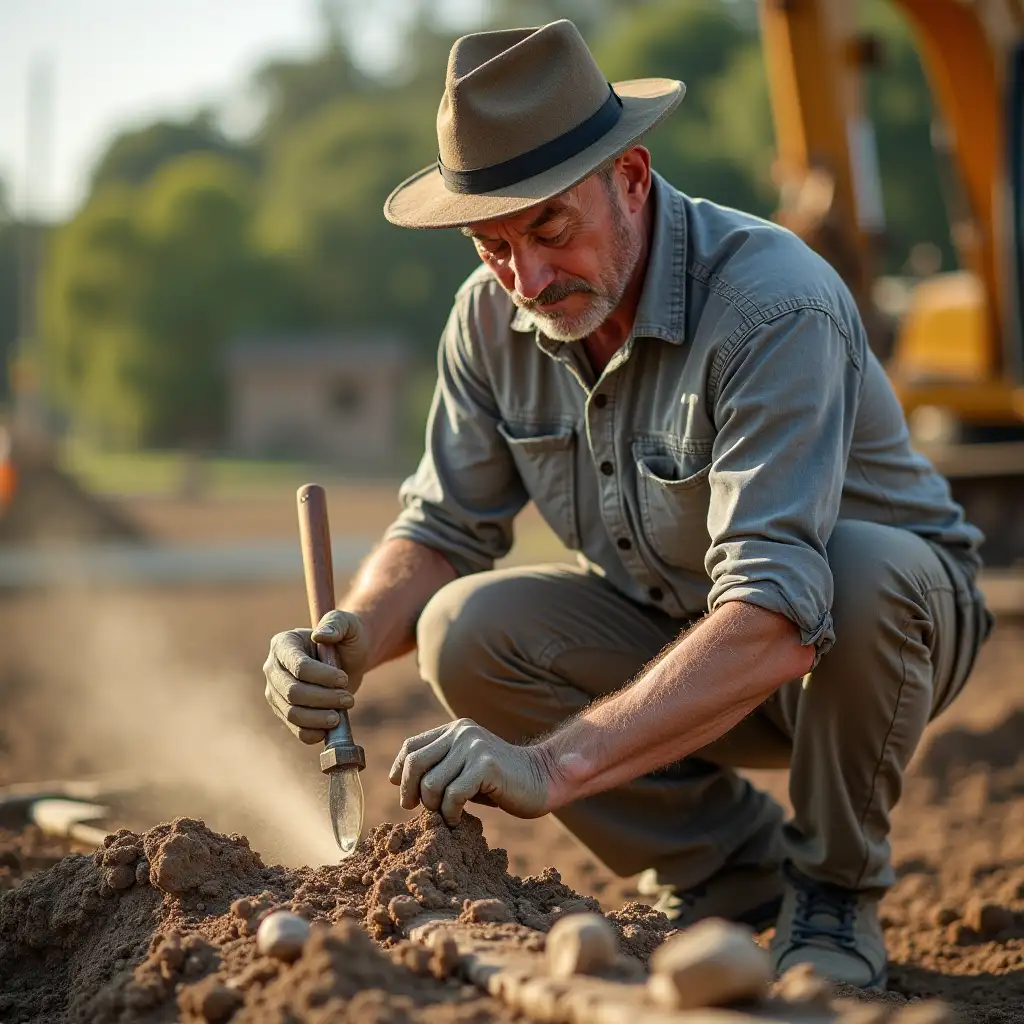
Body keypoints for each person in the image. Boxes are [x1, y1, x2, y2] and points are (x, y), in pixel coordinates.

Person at [263, 20, 992, 989]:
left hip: (866, 646)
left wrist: (551, 767)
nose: (526, 278)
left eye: (551, 231)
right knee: (459, 629)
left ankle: (831, 890)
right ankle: (734, 877)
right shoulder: (492, 321)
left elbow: (779, 615)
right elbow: (440, 528)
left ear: (633, 180)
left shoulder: (773, 306)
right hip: (682, 633)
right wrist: (349, 638)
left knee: (860, 574)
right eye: (492, 247)